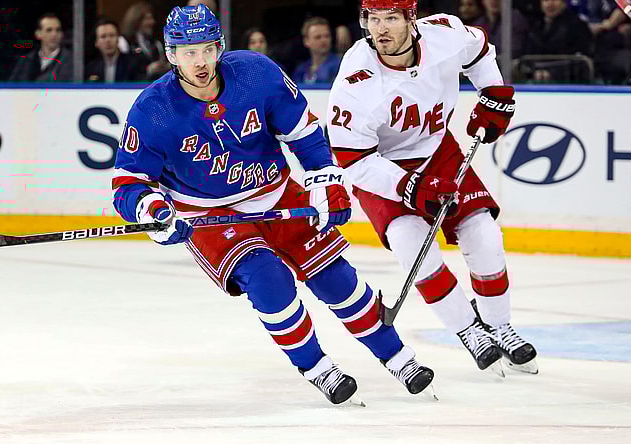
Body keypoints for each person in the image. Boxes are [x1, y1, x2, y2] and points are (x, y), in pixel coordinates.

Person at [112, 4, 434, 405]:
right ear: (171, 53)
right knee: (268, 280)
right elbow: (128, 183)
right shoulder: (152, 110)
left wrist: (326, 180)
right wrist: (153, 210)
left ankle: (398, 358)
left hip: (278, 194)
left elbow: (305, 133)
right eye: (188, 52)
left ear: (220, 47)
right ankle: (317, 368)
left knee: (337, 280)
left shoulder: (255, 73)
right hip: (210, 216)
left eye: (207, 49)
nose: (200, 61)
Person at [327, 0, 538, 376]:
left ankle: (500, 327)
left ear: (411, 19)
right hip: (383, 171)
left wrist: (493, 95)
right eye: (373, 20)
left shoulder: (444, 33)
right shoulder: (355, 81)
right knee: (414, 248)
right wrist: (408, 186)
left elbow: (479, 51)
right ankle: (468, 330)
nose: (381, 30)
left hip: (437, 152)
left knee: (485, 235)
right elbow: (353, 162)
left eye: (390, 18)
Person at [523, 0, 594, 83]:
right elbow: (527, 55)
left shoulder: (577, 26)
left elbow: (580, 60)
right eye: (546, 0)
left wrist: (553, 73)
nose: (550, 3)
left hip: (568, 83)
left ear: (564, 3)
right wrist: (534, 71)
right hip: (535, 80)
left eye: (554, 0)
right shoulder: (534, 25)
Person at [9, 13, 73, 82]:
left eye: (58, 30)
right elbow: (11, 87)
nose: (54, 34)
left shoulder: (70, 60)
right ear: (38, 34)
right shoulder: (26, 61)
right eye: (49, 30)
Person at [120, 2, 170, 81]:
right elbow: (123, 69)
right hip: (131, 87)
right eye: (147, 18)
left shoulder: (156, 43)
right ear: (136, 20)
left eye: (152, 18)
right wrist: (148, 70)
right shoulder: (124, 41)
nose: (152, 22)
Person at [86, 19, 146, 83]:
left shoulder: (134, 63)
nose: (108, 40)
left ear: (118, 39)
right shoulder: (91, 68)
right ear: (96, 42)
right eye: (103, 37)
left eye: (112, 36)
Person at [292, 17, 342, 85]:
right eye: (318, 37)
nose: (324, 40)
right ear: (306, 41)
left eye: (327, 36)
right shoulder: (300, 70)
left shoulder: (340, 65)